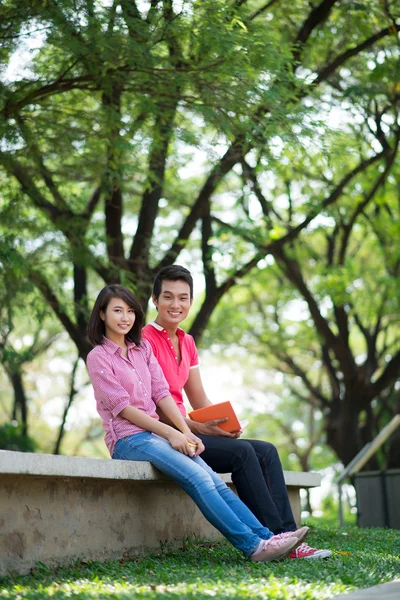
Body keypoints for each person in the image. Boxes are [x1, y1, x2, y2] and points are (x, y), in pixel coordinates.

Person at [86, 284, 309, 563]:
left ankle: (268, 538)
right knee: (199, 477)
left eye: (130, 311)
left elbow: (161, 393)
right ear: (102, 314)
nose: (125, 317)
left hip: (157, 436)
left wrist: (185, 431)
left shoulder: (142, 350)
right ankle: (253, 546)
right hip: (129, 439)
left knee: (213, 479)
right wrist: (172, 433)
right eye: (117, 310)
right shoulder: (98, 357)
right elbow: (124, 409)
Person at [142, 266, 332, 560]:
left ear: (191, 301)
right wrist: (199, 428)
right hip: (167, 435)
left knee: (266, 450)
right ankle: (275, 539)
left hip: (192, 430)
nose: (175, 305)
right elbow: (151, 404)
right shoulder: (144, 339)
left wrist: (221, 422)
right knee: (242, 453)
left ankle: (289, 537)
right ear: (155, 299)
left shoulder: (187, 342)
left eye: (183, 298)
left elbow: (198, 397)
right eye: (168, 297)